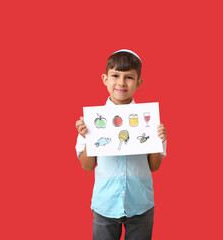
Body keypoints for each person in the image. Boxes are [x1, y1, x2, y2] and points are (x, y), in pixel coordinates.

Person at [75, 49, 167, 240]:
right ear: (105, 79)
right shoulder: (91, 121)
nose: (121, 82)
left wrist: (157, 141)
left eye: (129, 77)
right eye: (115, 75)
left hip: (140, 203)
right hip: (105, 204)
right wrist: (90, 139)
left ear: (139, 82)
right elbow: (87, 166)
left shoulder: (151, 122)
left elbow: (154, 166)